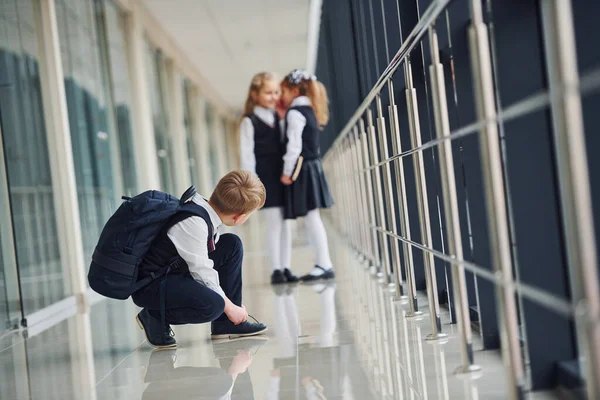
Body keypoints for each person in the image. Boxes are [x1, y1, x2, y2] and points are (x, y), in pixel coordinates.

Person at [133, 171, 268, 349]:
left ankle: (226, 324)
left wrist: (231, 307)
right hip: (152, 285)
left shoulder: (203, 207)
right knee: (214, 305)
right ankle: (154, 315)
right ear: (239, 217)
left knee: (232, 245)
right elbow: (203, 273)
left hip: (172, 272)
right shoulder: (194, 223)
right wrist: (230, 308)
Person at [240, 72, 299, 285]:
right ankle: (275, 269)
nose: (274, 96)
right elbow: (247, 155)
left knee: (286, 223)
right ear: (255, 94)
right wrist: (252, 184)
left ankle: (286, 266)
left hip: (282, 176)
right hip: (265, 178)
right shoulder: (249, 121)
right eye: (268, 92)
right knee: (274, 223)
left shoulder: (278, 117)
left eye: (276, 92)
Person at [279, 69, 335, 283]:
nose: (282, 96)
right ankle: (324, 262)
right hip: (312, 166)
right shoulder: (309, 108)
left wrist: (286, 173)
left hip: (302, 169)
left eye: (284, 91)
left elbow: (294, 146)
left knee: (312, 218)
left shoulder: (295, 112)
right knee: (313, 218)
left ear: (294, 90)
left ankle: (324, 264)